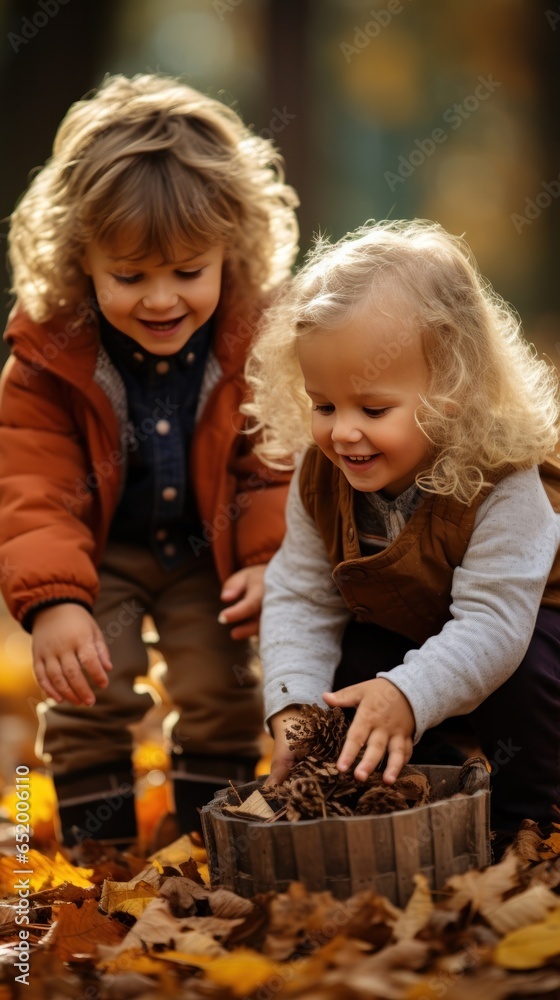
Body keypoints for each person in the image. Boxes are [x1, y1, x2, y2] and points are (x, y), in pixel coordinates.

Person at [0, 73, 299, 846]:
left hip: (214, 552)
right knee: (88, 686)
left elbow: (275, 456)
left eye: (187, 272)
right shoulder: (48, 354)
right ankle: (98, 862)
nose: (161, 300)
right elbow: (30, 484)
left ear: (230, 251)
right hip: (102, 554)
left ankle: (212, 851)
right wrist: (56, 599)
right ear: (81, 261)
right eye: (129, 277)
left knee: (223, 687)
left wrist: (270, 558)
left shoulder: (256, 338)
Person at [244, 219, 560, 843]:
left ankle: (531, 823)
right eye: (324, 405)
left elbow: (494, 623)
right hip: (422, 636)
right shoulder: (323, 477)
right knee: (350, 667)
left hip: (527, 634)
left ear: (454, 390)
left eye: (373, 408)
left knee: (526, 671)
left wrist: (408, 692)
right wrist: (295, 704)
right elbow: (302, 595)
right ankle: (421, 797)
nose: (343, 433)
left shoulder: (502, 480)